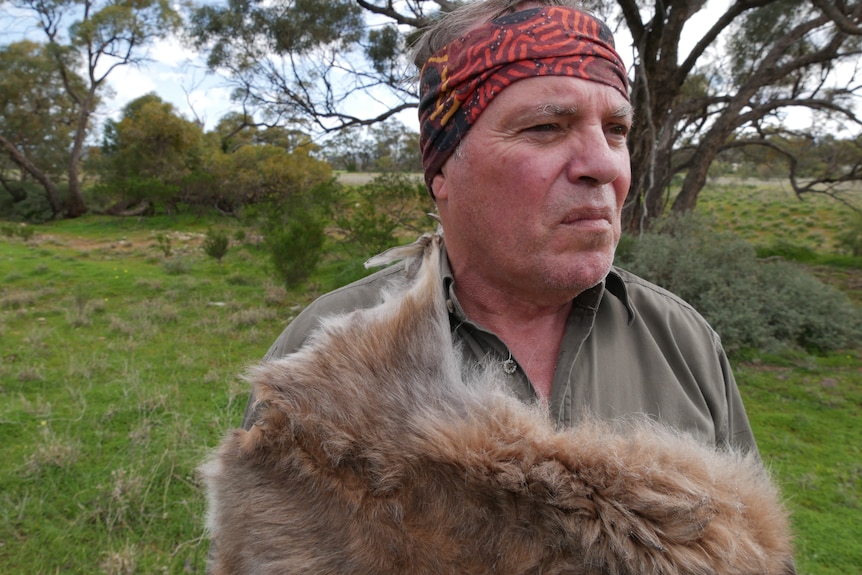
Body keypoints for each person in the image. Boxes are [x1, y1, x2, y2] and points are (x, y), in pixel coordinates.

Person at [242, 0, 758, 453]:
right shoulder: (321, 361)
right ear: (443, 169)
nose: (604, 166)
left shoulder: (683, 342)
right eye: (545, 127)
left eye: (616, 130)